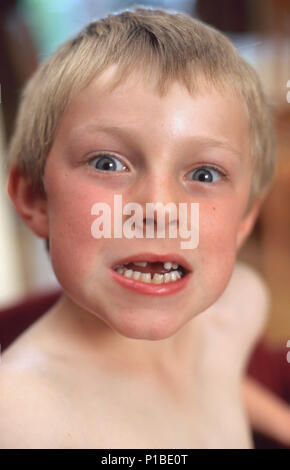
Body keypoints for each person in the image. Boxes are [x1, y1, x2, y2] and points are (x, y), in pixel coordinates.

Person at [0, 7, 277, 448]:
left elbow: (212, 380)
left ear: (244, 219)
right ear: (35, 198)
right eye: (108, 163)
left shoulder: (238, 308)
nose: (161, 209)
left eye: (204, 174)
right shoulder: (23, 415)